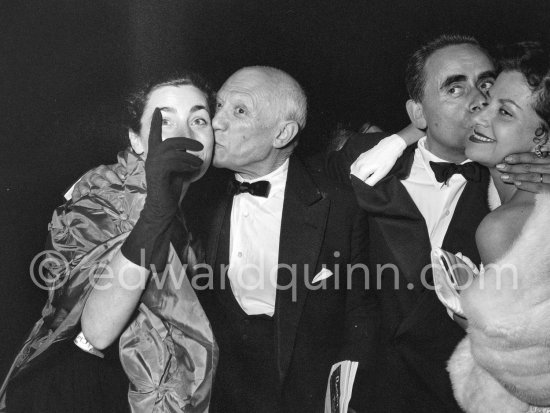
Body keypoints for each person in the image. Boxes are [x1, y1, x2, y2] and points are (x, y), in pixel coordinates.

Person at [66, 65, 377, 412]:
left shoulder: (337, 200)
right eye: (218, 108)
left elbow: (362, 318)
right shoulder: (192, 190)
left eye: (239, 111)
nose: (216, 123)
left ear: (282, 133)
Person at [0, 72, 218, 413]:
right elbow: (97, 332)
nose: (185, 134)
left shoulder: (190, 216)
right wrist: (156, 212)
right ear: (137, 140)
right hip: (72, 391)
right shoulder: (100, 196)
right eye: (165, 121)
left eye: (199, 120)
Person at [327, 34, 498, 412]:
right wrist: (399, 139)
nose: (480, 98)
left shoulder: (514, 189)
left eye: (487, 84)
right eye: (455, 87)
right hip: (373, 393)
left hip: (461, 397)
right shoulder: (366, 161)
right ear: (418, 112)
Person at [440, 41, 550, 413]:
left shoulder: (505, 226)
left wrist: (472, 319)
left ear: (544, 139)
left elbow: (533, 381)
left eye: (505, 112)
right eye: (487, 101)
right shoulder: (496, 197)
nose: (480, 116)